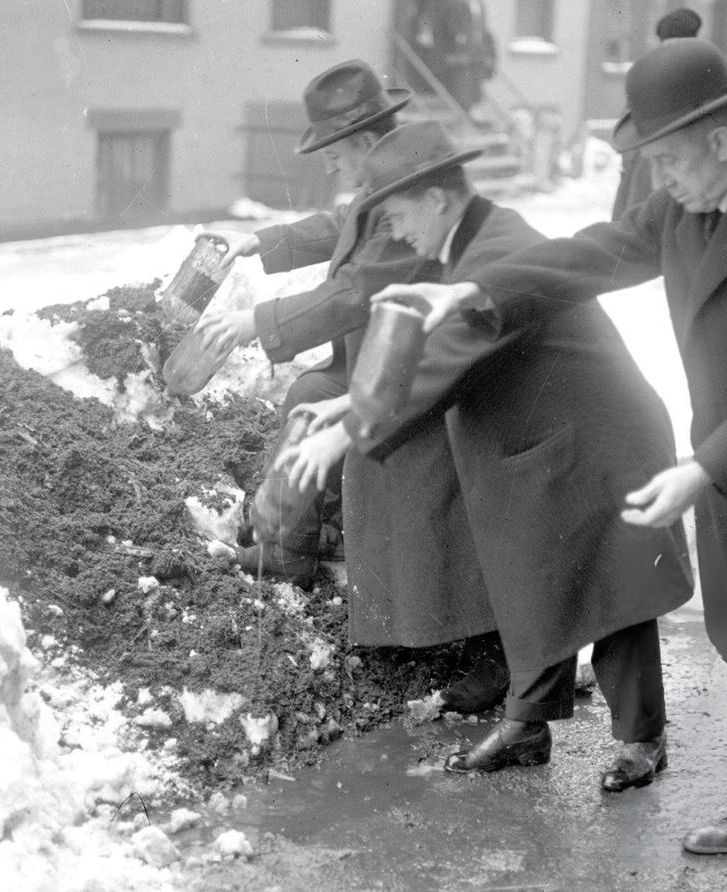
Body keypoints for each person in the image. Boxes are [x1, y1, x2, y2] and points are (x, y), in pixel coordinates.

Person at [376, 39, 727, 885]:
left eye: (668, 160)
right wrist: (477, 290)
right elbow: (595, 252)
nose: (660, 181)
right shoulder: (687, 203)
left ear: (718, 139)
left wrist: (705, 467)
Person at [284, 119, 694, 792]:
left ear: (439, 200)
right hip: (543, 442)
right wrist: (349, 400)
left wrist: (351, 427)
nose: (396, 228)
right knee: (530, 580)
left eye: (399, 213)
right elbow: (427, 340)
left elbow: (453, 350)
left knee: (608, 590)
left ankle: (643, 738)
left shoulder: (498, 245)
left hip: (596, 439)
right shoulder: (466, 243)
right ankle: (527, 727)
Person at [196, 59, 508, 714]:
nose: (333, 168)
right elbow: (340, 228)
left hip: (422, 363)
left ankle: (474, 642)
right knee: (309, 395)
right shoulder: (380, 179)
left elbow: (357, 289)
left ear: (362, 144)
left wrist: (257, 321)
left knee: (331, 415)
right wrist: (263, 241)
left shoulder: (406, 186)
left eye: (334, 154)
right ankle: (288, 544)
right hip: (382, 353)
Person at [609, 7, 702, 220]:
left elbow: (626, 132)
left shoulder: (645, 72)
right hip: (665, 171)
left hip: (645, 170)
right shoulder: (698, 72)